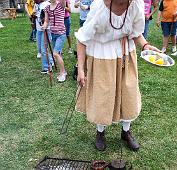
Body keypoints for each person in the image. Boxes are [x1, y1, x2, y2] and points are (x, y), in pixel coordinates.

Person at [75, 0, 160, 151]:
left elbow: (135, 32)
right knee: (103, 95)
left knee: (129, 93)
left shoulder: (136, 4)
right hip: (102, 54)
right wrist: (81, 69)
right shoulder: (99, 7)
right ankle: (100, 133)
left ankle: (126, 132)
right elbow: (82, 39)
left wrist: (145, 45)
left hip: (126, 53)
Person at [43, 0, 67, 82]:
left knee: (55, 53)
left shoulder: (61, 5)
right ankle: (63, 70)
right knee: (58, 54)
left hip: (61, 34)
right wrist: (44, 26)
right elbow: (46, 21)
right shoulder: (47, 8)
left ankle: (63, 73)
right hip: (53, 34)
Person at [33, 0, 54, 74]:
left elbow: (49, 17)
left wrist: (44, 21)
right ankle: (51, 61)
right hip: (39, 29)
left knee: (44, 48)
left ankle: (47, 67)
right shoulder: (37, 4)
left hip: (46, 29)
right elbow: (35, 14)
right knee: (40, 48)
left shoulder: (46, 4)